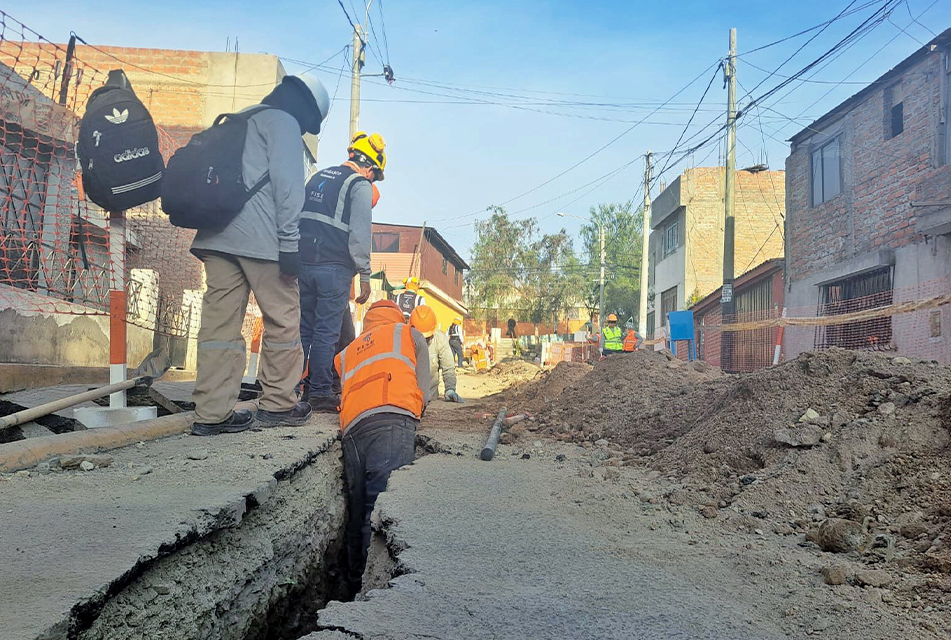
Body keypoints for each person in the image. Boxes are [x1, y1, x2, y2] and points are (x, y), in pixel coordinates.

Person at [189, 73, 330, 436]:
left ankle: (211, 413)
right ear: (307, 113)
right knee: (282, 321)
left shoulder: (244, 116)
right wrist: (289, 244)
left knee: (219, 326)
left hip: (218, 237)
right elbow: (287, 189)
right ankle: (278, 405)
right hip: (262, 241)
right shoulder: (282, 122)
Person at [334, 299, 432, 592]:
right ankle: (375, 592)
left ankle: (352, 586)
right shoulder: (407, 334)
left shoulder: (349, 350)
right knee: (382, 509)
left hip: (352, 429)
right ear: (396, 316)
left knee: (358, 511)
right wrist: (419, 406)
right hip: (392, 419)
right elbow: (423, 384)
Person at [298, 132, 385, 412]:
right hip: (333, 267)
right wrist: (364, 275)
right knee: (326, 331)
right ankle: (320, 391)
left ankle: (290, 387)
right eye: (374, 177)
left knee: (303, 329)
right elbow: (360, 233)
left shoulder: (317, 178)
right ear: (369, 168)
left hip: (302, 263)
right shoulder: (358, 184)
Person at [410, 305, 464, 403]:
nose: (423, 340)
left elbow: (448, 367)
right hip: (408, 398)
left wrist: (450, 389)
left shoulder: (440, 340)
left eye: (427, 337)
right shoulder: (404, 340)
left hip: (431, 398)